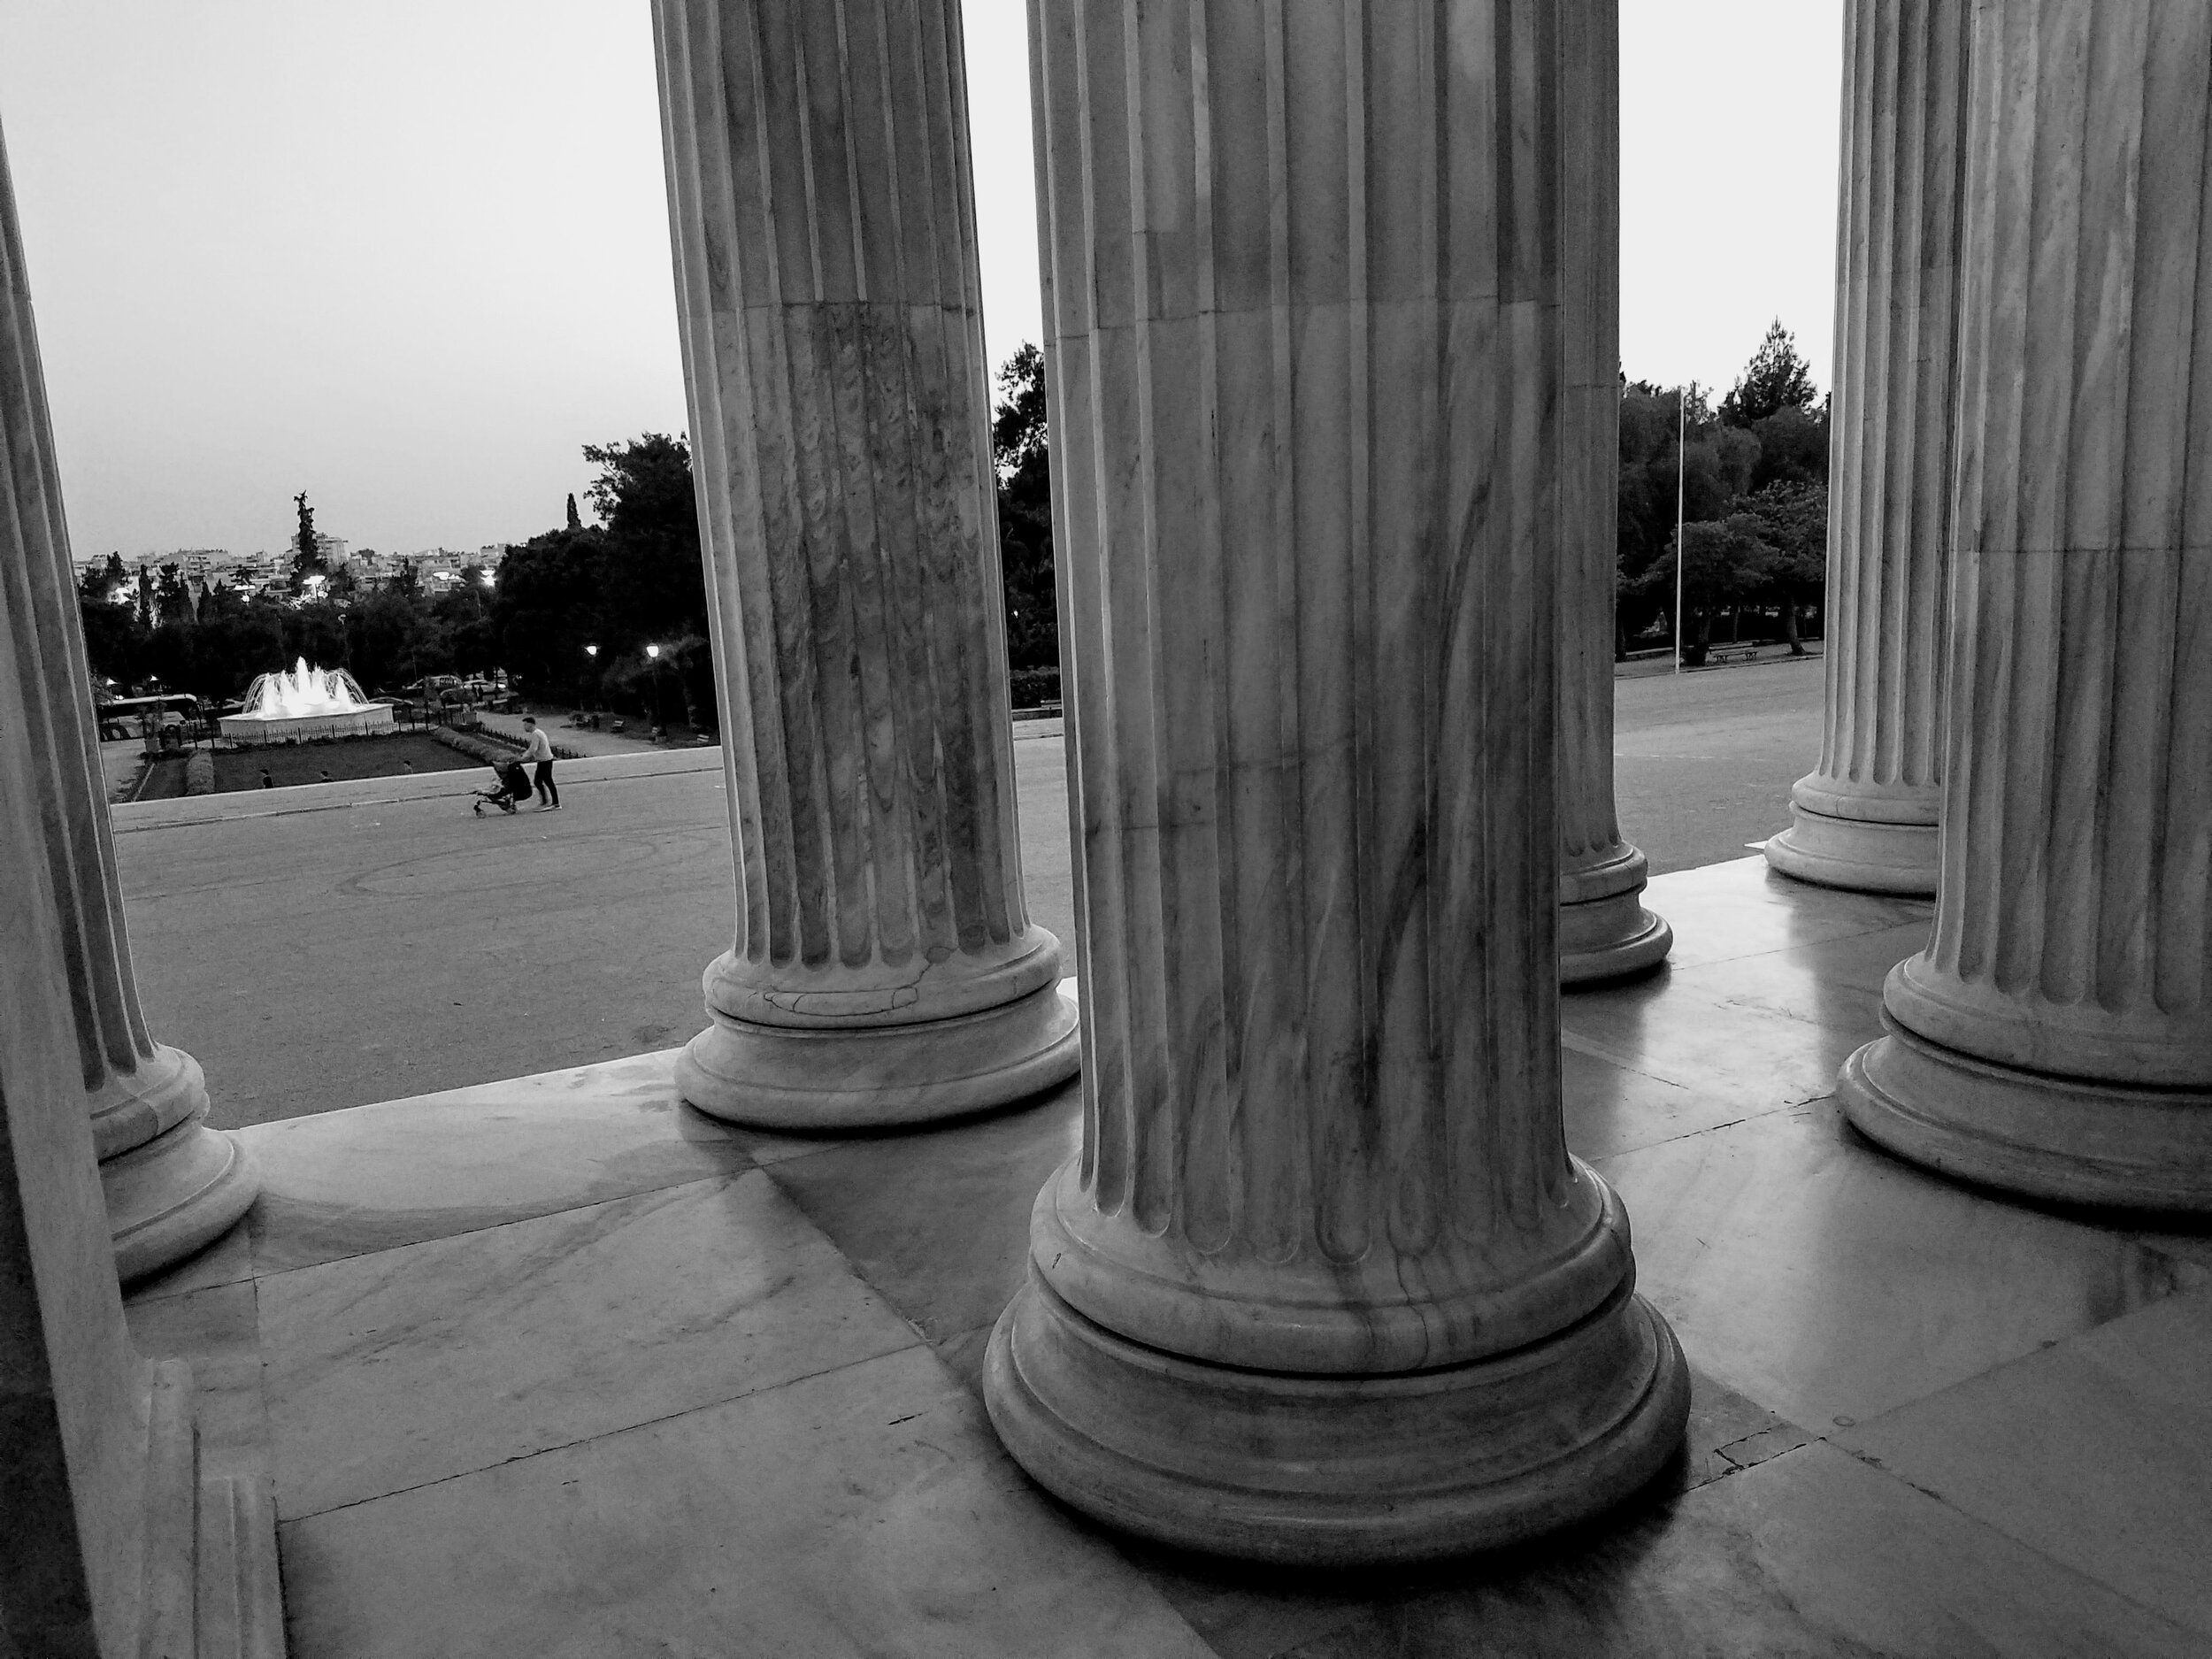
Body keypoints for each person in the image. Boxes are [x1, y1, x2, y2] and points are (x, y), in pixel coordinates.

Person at [518, 716, 558, 810]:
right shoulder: (538, 732)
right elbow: (533, 749)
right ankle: (546, 801)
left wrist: (523, 758)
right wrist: (525, 755)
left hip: (545, 760)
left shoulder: (535, 734)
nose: (524, 727)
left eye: (526, 725)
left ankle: (555, 803)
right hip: (544, 760)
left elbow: (533, 749)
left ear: (531, 725)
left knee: (548, 781)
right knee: (539, 781)